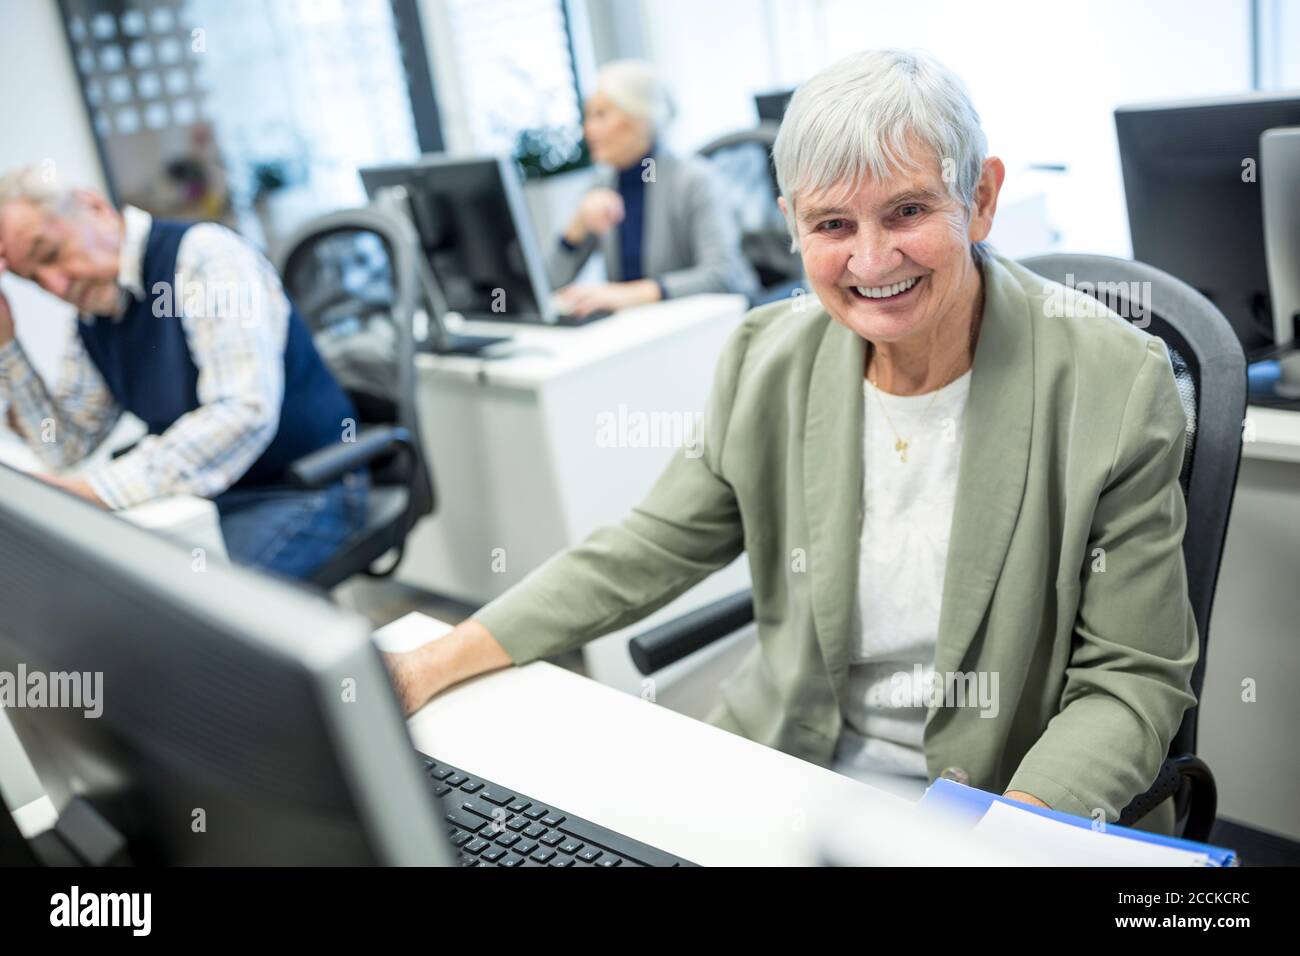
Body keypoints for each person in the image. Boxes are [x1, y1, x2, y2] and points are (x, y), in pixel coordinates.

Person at [385, 49, 1197, 833]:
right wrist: (437, 658)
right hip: (784, 767)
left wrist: (1007, 834)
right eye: (832, 223)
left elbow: (1131, 678)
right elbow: (645, 548)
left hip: (994, 801)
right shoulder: (766, 355)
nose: (872, 259)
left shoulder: (1114, 382)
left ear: (981, 199)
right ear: (790, 225)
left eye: (909, 210)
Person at [0, 166, 367, 580]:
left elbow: (241, 411)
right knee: (111, 592)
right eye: (31, 279)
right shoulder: (91, 317)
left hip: (304, 487)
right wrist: (6, 345)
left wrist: (97, 490)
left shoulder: (206, 257)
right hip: (204, 498)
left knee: (189, 614)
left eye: (49, 254)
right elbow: (63, 448)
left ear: (94, 207)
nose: (56, 285)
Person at [552, 59, 758, 317]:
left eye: (601, 115)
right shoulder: (601, 187)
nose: (588, 130)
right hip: (642, 333)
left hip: (697, 330)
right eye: (588, 117)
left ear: (642, 118)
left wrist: (629, 294)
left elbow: (726, 277)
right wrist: (576, 229)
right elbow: (550, 284)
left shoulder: (695, 179)